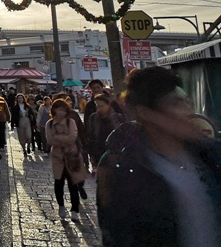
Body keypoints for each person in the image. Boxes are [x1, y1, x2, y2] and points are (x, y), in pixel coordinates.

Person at [97, 67, 221, 247]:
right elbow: (119, 236)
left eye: (187, 102)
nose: (187, 112)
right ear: (146, 113)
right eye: (175, 104)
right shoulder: (124, 172)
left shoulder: (210, 156)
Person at [46, 98, 86, 223]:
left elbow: (73, 138)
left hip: (72, 156)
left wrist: (58, 137)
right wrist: (63, 138)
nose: (61, 112)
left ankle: (75, 210)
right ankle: (61, 206)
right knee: (59, 183)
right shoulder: (50, 124)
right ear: (54, 110)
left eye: (63, 110)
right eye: (59, 109)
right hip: (57, 157)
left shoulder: (71, 122)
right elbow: (50, 140)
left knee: (73, 184)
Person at [86, 94, 124, 172]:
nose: (99, 109)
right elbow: (91, 136)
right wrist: (92, 155)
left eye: (102, 106)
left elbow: (122, 136)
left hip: (115, 153)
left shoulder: (117, 118)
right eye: (97, 106)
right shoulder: (94, 118)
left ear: (108, 105)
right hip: (99, 153)